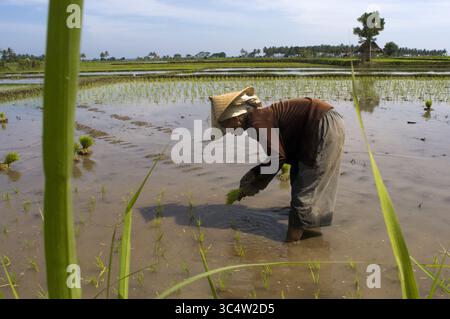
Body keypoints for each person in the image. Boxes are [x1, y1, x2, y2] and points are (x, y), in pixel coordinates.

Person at [209, 87, 345, 242]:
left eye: (226, 126)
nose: (229, 131)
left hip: (321, 124)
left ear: (235, 118)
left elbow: (277, 158)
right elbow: (280, 152)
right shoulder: (258, 118)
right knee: (301, 183)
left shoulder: (256, 122)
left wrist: (255, 184)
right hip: (324, 122)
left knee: (304, 194)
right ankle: (311, 240)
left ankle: (291, 247)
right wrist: (254, 175)